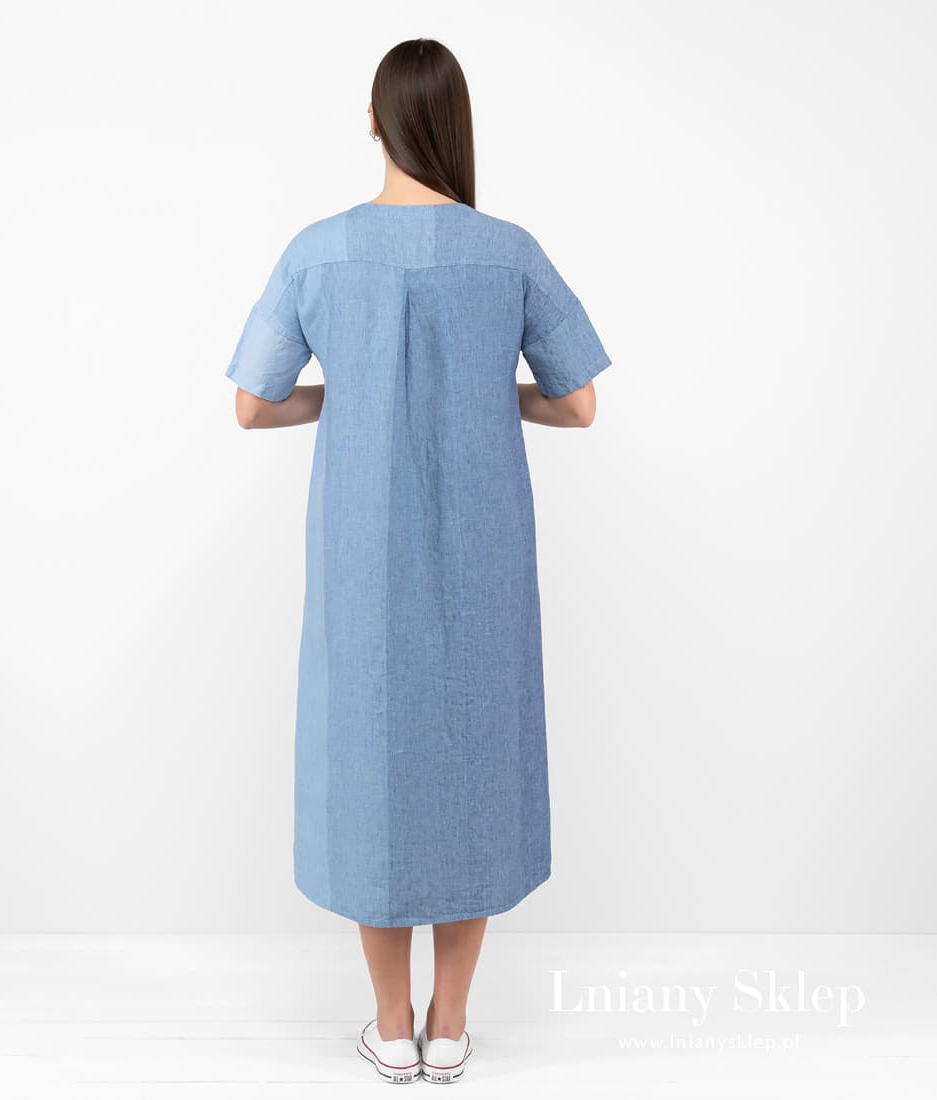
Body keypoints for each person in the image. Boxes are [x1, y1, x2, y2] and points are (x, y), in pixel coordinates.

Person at [225, 37, 611, 1085]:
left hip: (361, 559)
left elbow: (253, 405)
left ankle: (389, 1027)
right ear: (455, 122)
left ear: (373, 119)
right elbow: (577, 403)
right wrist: (488, 396)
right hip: (482, 555)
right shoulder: (507, 251)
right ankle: (451, 1026)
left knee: (372, 770)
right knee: (473, 764)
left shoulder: (318, 252)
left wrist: (346, 395)